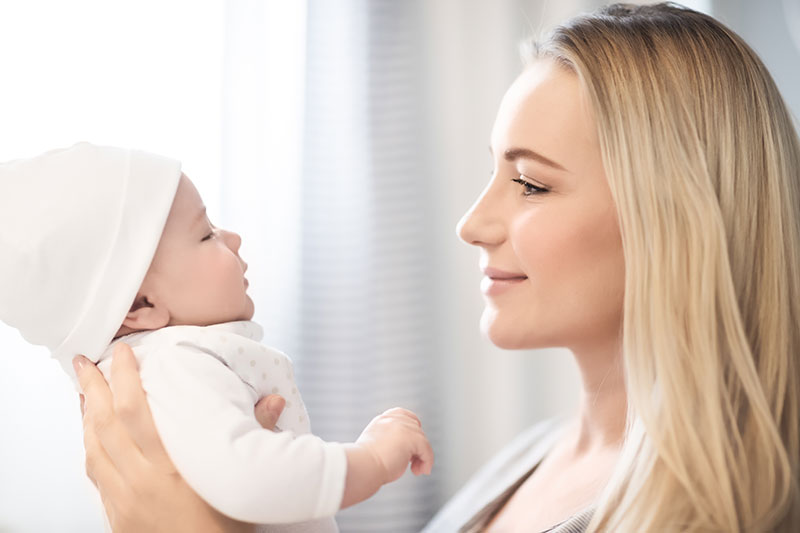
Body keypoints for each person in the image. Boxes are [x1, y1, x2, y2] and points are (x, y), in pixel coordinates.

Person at [73, 2, 800, 532]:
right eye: (494, 172)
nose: (471, 223)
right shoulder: (528, 456)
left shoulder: (713, 516)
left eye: (532, 183)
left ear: (677, 215)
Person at [0, 143, 433, 532]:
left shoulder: (153, 371)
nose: (233, 237)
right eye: (206, 234)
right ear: (139, 307)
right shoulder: (172, 364)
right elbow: (250, 480)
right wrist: (373, 459)